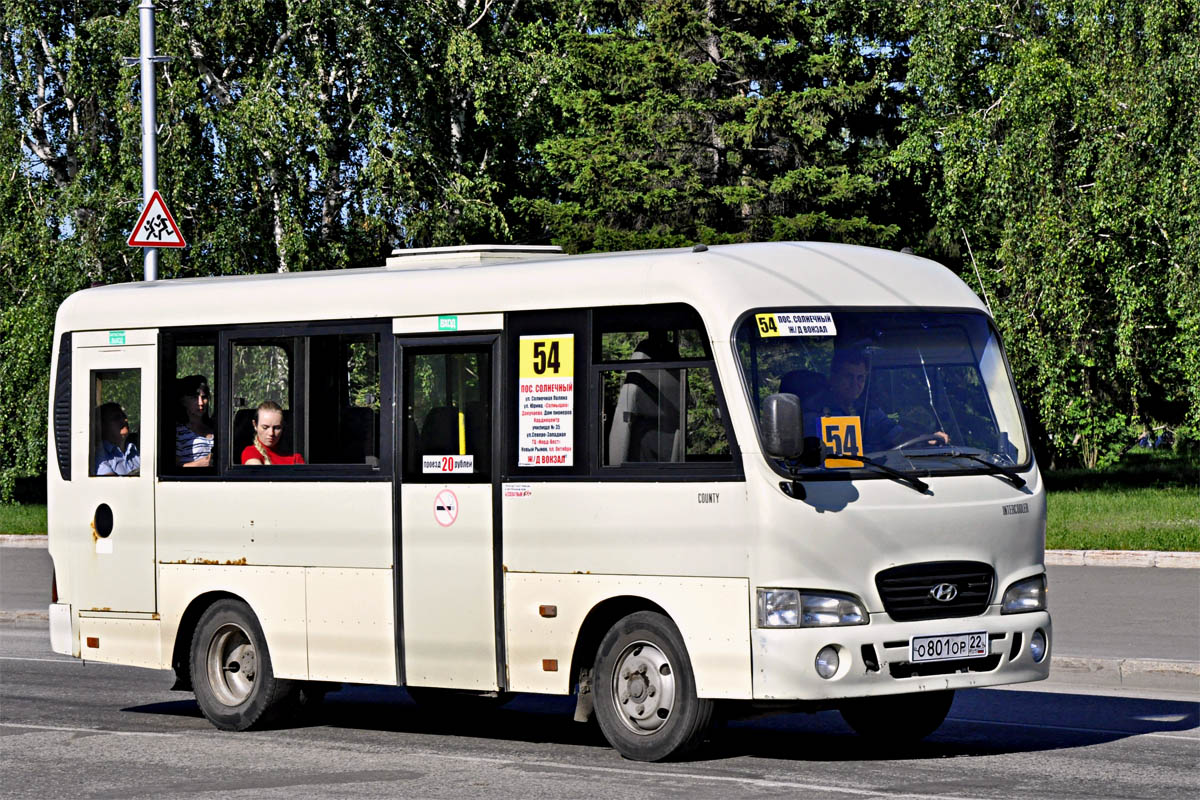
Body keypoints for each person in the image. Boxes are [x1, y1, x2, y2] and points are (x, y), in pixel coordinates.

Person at [804, 349, 949, 452]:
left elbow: (896, 435)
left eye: (860, 378)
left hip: (874, 474)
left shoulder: (868, 410)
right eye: (848, 377)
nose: (855, 384)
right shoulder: (814, 412)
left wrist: (926, 438)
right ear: (834, 378)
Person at [241, 401, 305, 465]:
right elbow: (256, 473)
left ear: (283, 427)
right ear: (255, 425)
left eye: (277, 428)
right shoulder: (250, 452)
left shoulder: (295, 457)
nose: (271, 433)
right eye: (265, 427)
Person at [176, 375, 215, 467]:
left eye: (204, 397)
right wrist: (198, 464)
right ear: (183, 401)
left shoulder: (215, 428)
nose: (200, 403)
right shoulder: (178, 431)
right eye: (194, 398)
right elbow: (171, 470)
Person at [95, 402, 140, 476]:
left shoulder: (136, 448)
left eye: (124, 416)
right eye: (117, 418)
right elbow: (111, 485)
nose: (125, 420)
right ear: (103, 426)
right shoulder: (99, 455)